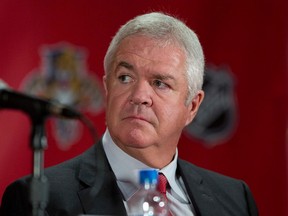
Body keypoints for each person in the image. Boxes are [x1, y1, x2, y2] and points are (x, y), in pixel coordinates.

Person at [0, 12, 258, 216]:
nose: (139, 95)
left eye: (160, 83)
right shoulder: (40, 200)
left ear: (192, 106)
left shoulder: (235, 198)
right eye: (125, 77)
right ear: (107, 88)